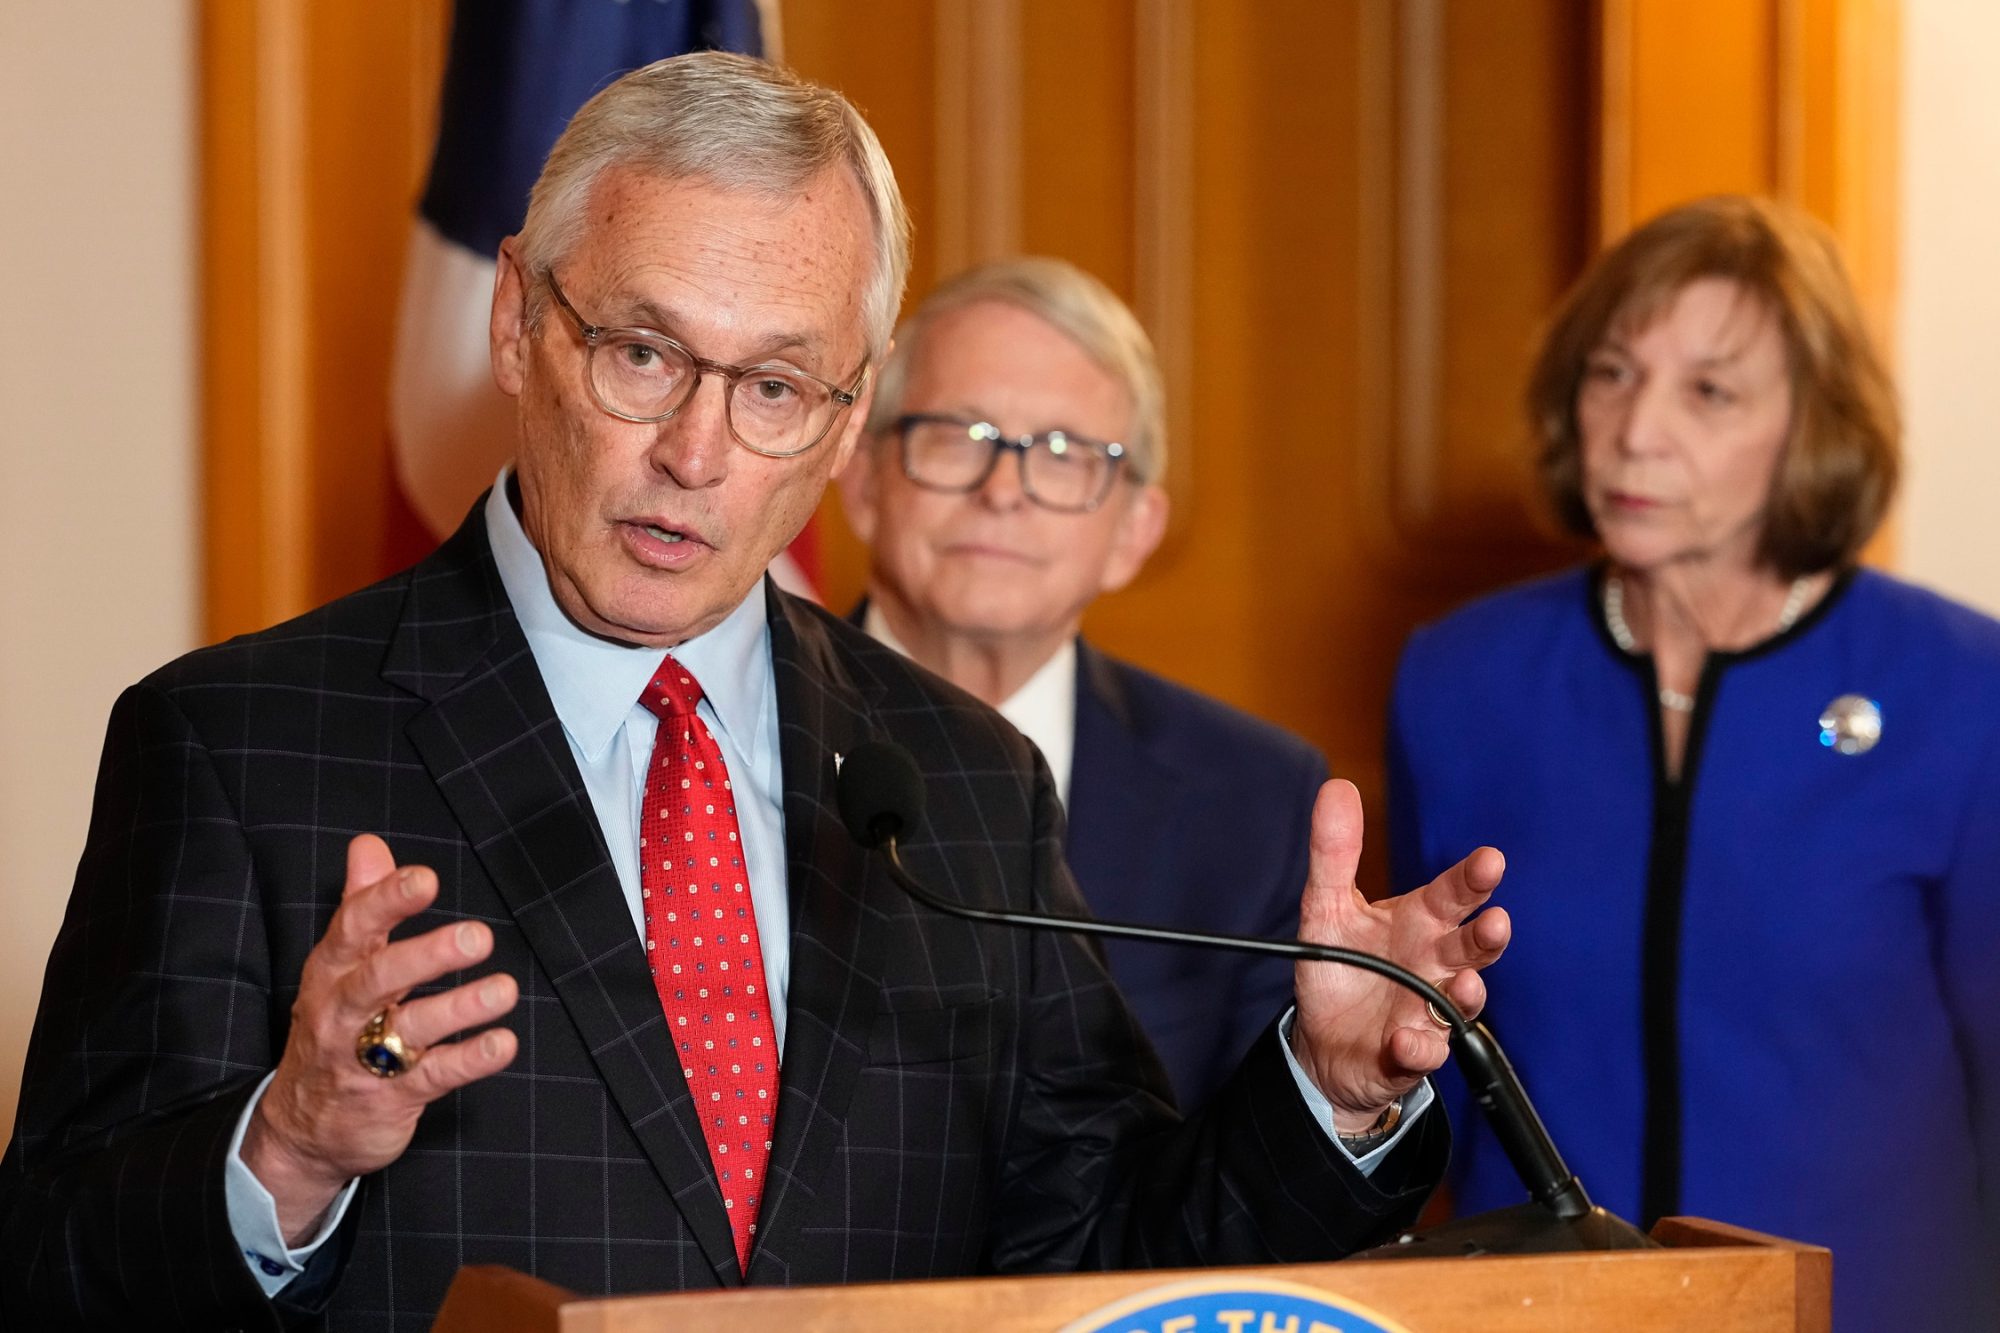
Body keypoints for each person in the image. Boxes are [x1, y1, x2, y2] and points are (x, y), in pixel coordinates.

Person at [1, 53, 1511, 1328]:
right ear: (518, 318)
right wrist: (292, 1148)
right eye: (644, 354)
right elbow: (55, 1261)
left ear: (849, 417)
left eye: (777, 387)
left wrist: (1325, 1079)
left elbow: (1096, 1265)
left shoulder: (962, 778)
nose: (699, 454)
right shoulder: (238, 743)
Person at [1387, 194, 2000, 1330]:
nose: (1635, 429)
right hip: (1536, 1311)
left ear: (1810, 426)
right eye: (1611, 373)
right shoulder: (1459, 680)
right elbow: (1434, 1060)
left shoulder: (1964, 692)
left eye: (1707, 392)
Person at [836, 257, 1325, 1109]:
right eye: (960, 435)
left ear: (1135, 530)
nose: (1002, 493)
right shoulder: (722, 737)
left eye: (1063, 454)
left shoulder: (1255, 803)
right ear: (863, 478)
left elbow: (1253, 1190)